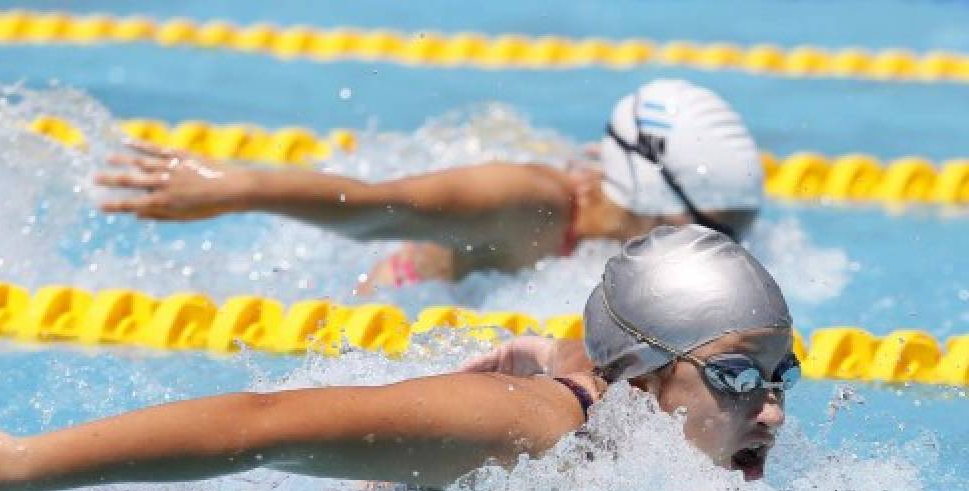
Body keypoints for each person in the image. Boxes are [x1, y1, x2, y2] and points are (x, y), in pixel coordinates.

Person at [0, 225, 797, 491]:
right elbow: (260, 425)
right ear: (639, 377)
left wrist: (550, 351)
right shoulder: (529, 429)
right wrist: (21, 468)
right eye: (735, 378)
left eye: (779, 375)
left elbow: (590, 354)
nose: (770, 414)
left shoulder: (612, 392)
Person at [94, 80, 763, 292]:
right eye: (715, 229)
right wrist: (240, 187)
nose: (720, 249)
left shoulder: (629, 231)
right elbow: (376, 209)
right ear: (650, 195)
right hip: (386, 305)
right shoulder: (525, 203)